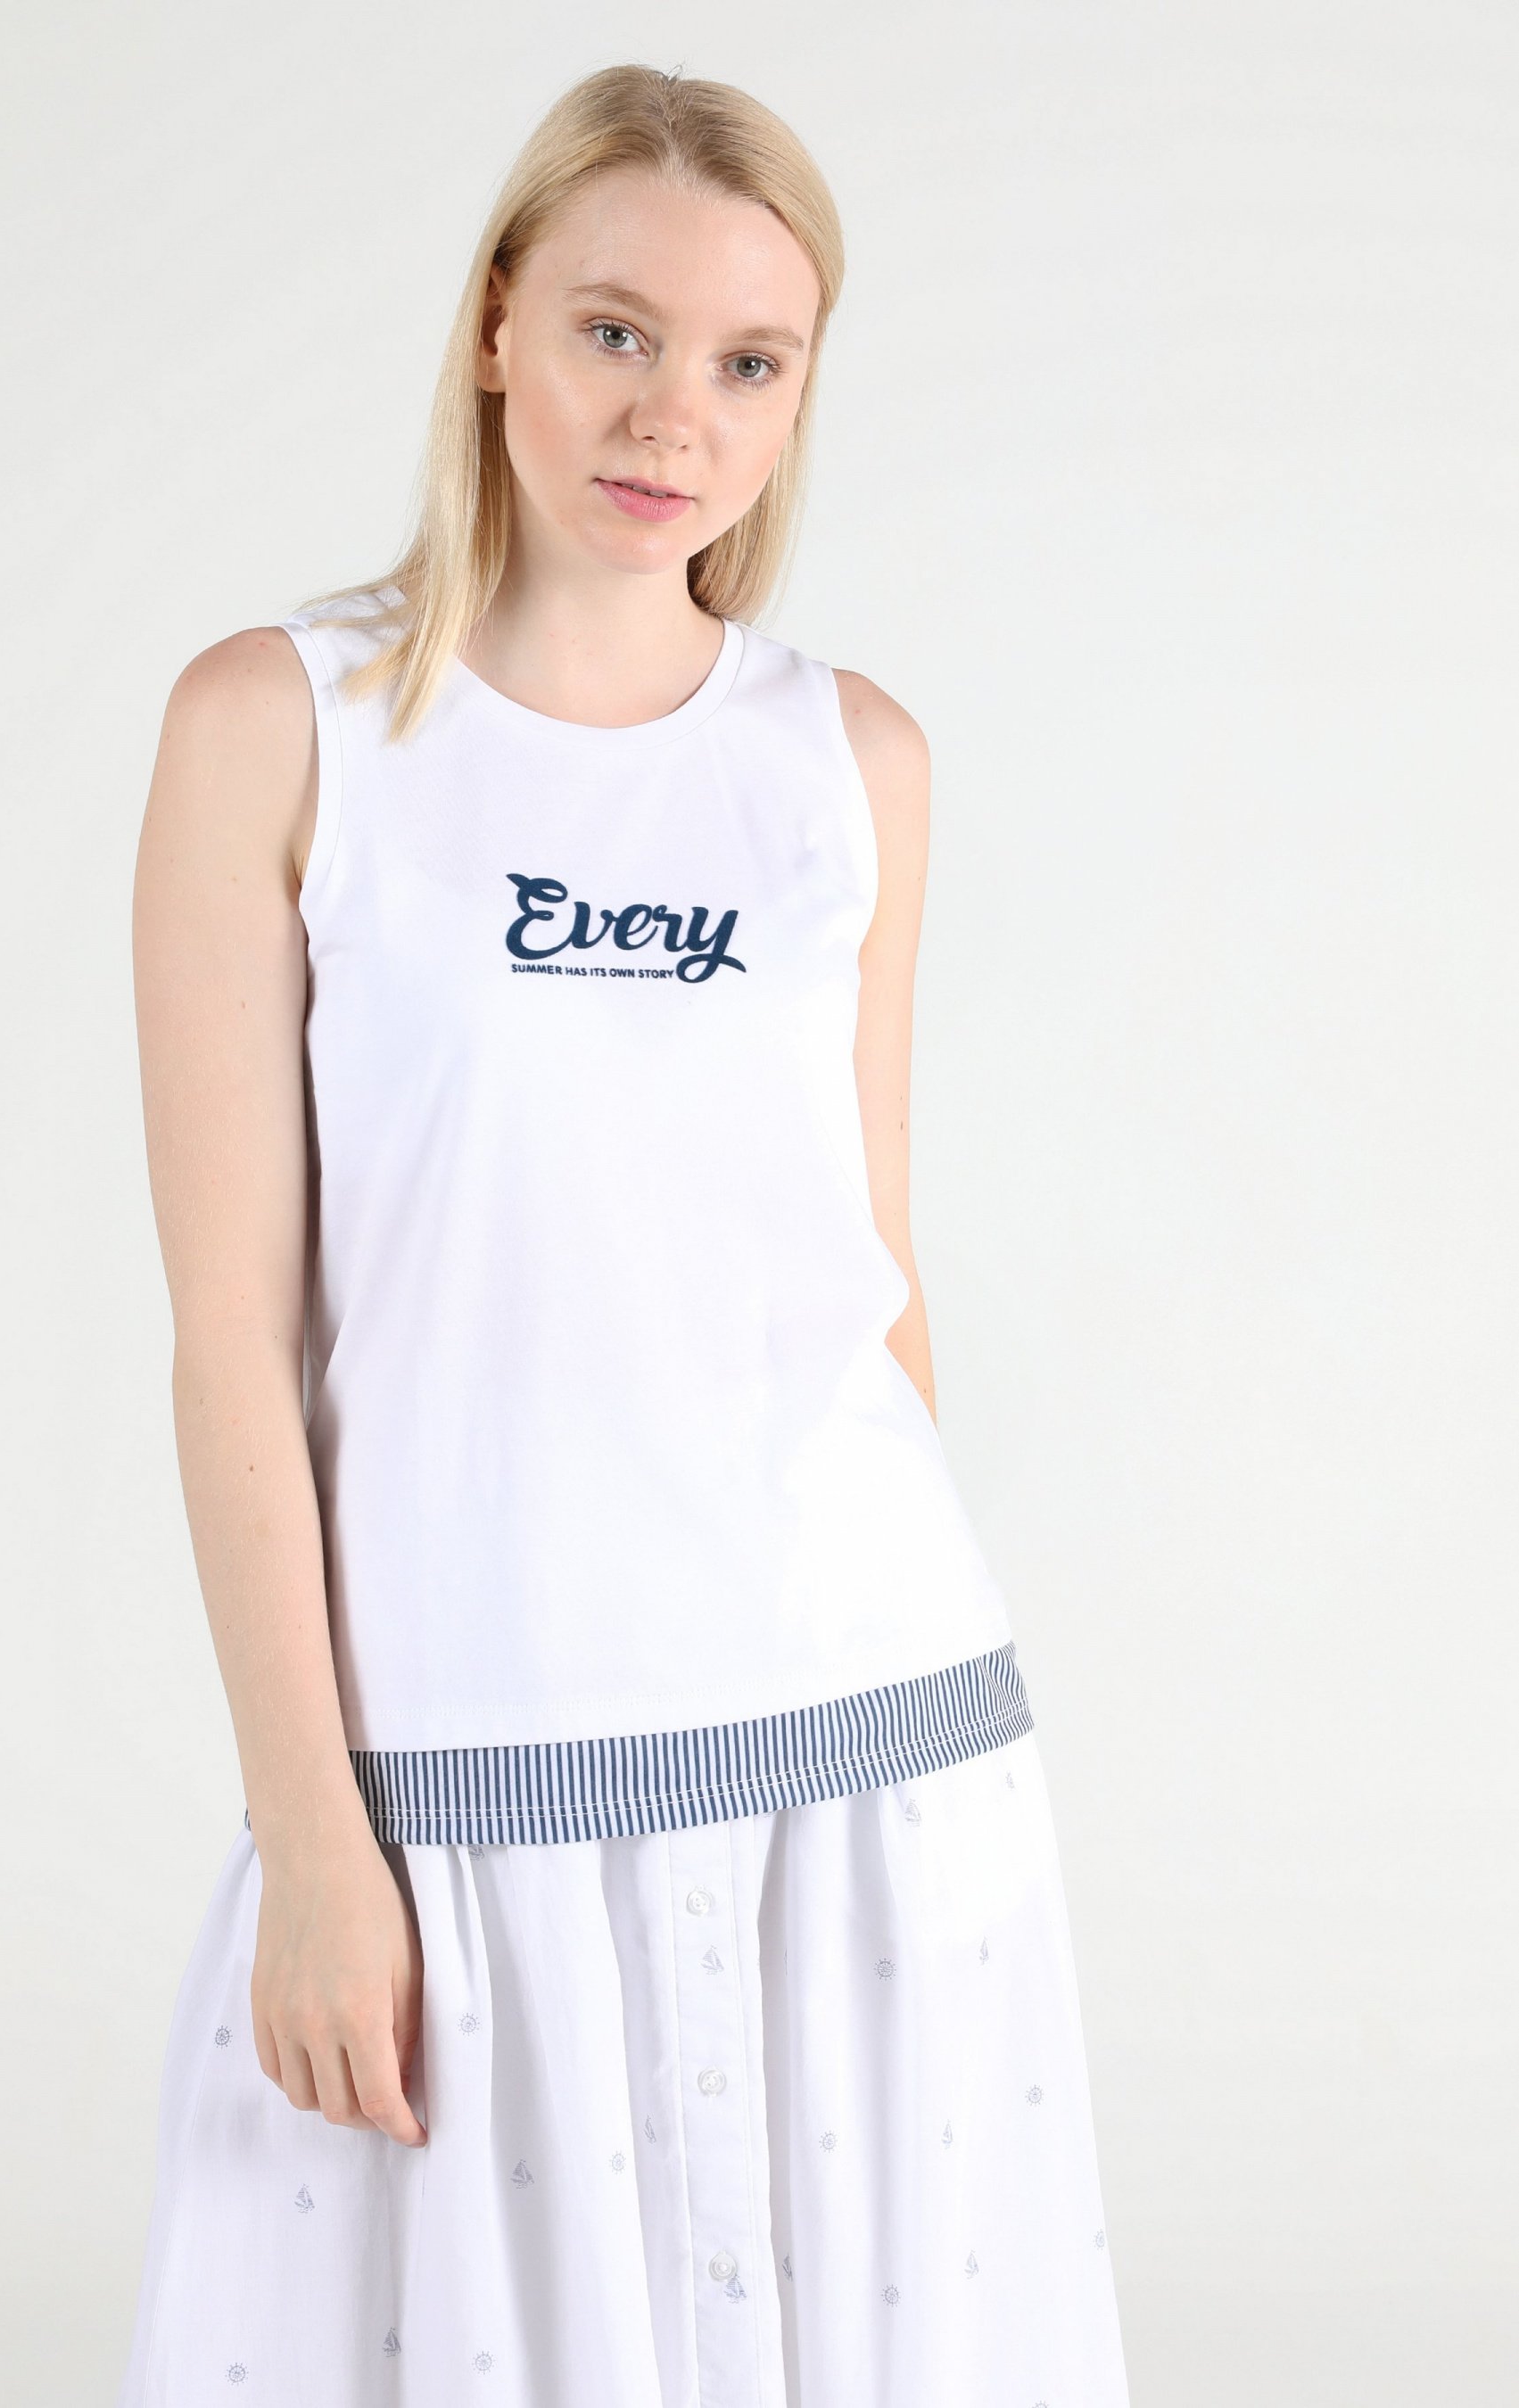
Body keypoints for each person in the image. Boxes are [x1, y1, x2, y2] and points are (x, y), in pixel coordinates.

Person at [118, 60, 1130, 2408]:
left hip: (871, 1753)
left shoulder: (848, 764)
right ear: (495, 322)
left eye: (750, 361)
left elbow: (868, 1279)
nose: (677, 412)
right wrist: (313, 1834)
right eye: (615, 331)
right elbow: (229, 1343)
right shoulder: (280, 728)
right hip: (467, 1760)